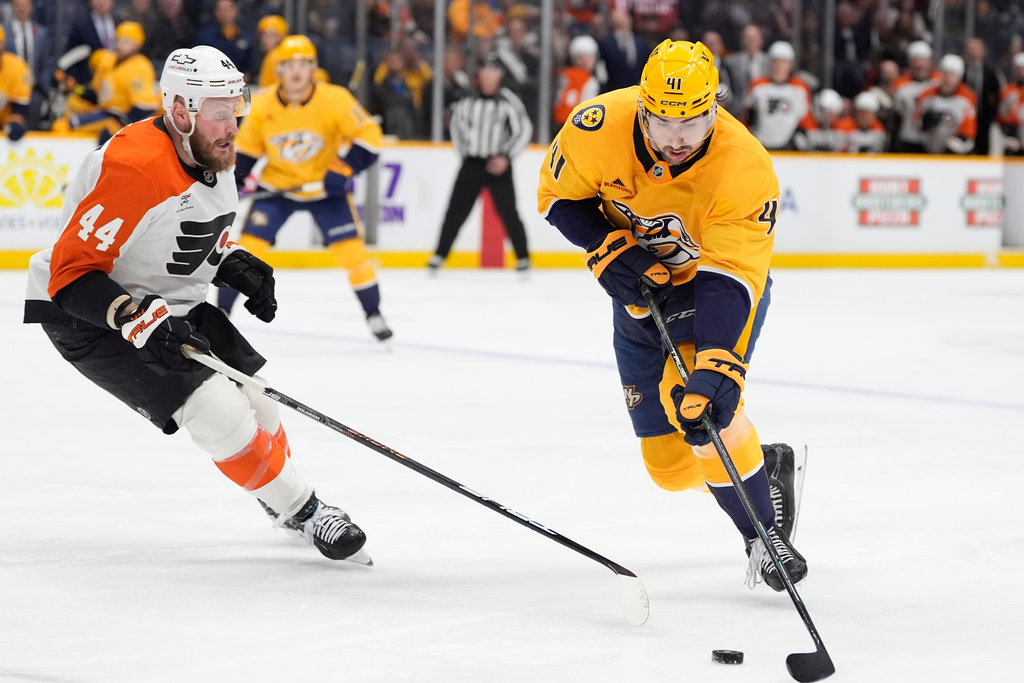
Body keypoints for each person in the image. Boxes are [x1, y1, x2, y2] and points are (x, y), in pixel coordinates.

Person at [22, 45, 368, 564]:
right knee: (217, 408)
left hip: (165, 296)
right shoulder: (134, 167)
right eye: (220, 111)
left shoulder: (211, 148)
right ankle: (305, 510)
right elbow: (70, 274)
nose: (234, 123)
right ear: (180, 111)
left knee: (258, 399)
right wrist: (135, 319)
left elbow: (183, 227)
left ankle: (280, 500)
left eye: (237, 106)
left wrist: (230, 261)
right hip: (92, 314)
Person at [537, 39, 807, 591]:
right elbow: (555, 196)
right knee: (667, 468)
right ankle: (763, 464)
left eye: (695, 121)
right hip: (638, 301)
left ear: (716, 107)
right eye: (663, 122)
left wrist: (716, 362)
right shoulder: (597, 126)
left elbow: (730, 275)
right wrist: (603, 245)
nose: (679, 139)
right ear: (642, 107)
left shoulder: (745, 166)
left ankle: (762, 535)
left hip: (709, 295)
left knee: (703, 411)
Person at [221, 35, 393, 342]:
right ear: (279, 69)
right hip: (278, 190)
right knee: (247, 252)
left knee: (352, 254)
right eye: (289, 65)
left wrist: (343, 167)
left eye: (303, 64)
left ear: (314, 67)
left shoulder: (336, 99)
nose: (296, 71)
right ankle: (220, 317)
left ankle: (374, 313)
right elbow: (246, 152)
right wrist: (232, 181)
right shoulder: (262, 103)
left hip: (324, 193)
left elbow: (370, 135)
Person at [428, 55, 533, 273]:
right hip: (472, 163)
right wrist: (466, 155)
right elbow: (457, 129)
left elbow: (523, 129)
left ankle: (523, 257)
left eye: (493, 70)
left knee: (509, 211)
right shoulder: (467, 99)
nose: (488, 75)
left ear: (500, 75)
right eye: (484, 70)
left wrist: (506, 156)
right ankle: (439, 255)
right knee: (456, 212)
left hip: (499, 163)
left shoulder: (507, 100)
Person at [51, 21, 160, 144]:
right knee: (65, 117)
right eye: (118, 40)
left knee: (64, 125)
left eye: (126, 41)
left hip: (118, 116)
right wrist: (75, 88)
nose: (120, 45)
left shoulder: (141, 67)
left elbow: (145, 107)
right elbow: (96, 94)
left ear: (137, 45)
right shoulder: (109, 61)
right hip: (104, 112)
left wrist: (124, 122)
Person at [743, 41, 815, 150]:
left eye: (783, 62)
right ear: (770, 63)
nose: (779, 66)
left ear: (790, 64)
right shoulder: (757, 85)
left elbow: (805, 120)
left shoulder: (800, 88)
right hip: (760, 146)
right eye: (776, 61)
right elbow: (745, 118)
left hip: (789, 149)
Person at [914, 54, 977, 155]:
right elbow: (916, 122)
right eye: (945, 74)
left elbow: (968, 134)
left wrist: (949, 148)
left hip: (954, 154)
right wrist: (924, 124)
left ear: (959, 78)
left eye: (952, 75)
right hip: (927, 149)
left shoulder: (967, 98)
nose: (948, 79)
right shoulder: (927, 95)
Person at [552, 34, 600, 132]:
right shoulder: (590, 81)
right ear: (580, 58)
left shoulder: (564, 75)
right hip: (578, 126)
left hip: (559, 125)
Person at [0, 24, 32, 141]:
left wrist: (12, 125)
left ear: (3, 45)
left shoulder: (17, 66)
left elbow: (21, 107)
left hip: (5, 120)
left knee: (16, 130)